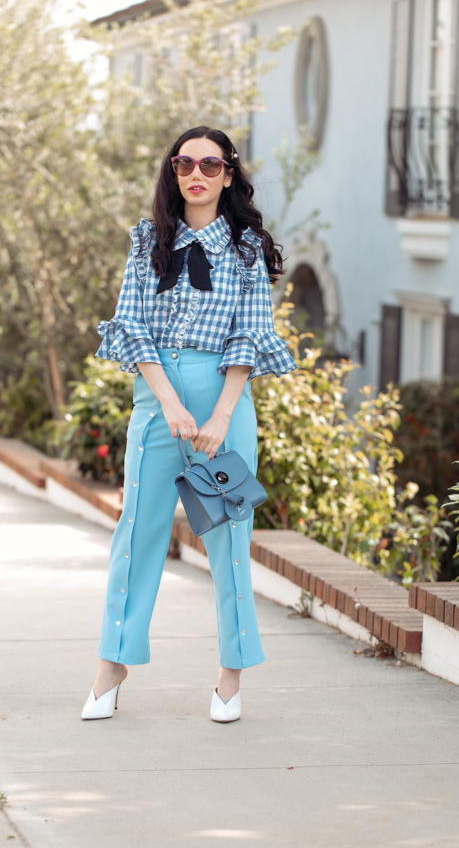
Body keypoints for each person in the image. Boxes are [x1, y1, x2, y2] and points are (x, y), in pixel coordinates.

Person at [82, 125, 296, 724]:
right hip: (157, 398)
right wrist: (169, 404)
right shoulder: (149, 239)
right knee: (137, 530)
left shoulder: (247, 248)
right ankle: (112, 664)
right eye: (183, 164)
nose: (195, 175)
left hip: (222, 396)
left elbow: (251, 333)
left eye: (209, 164)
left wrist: (220, 414)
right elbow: (131, 324)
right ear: (172, 173)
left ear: (228, 174)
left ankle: (230, 674)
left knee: (228, 539)